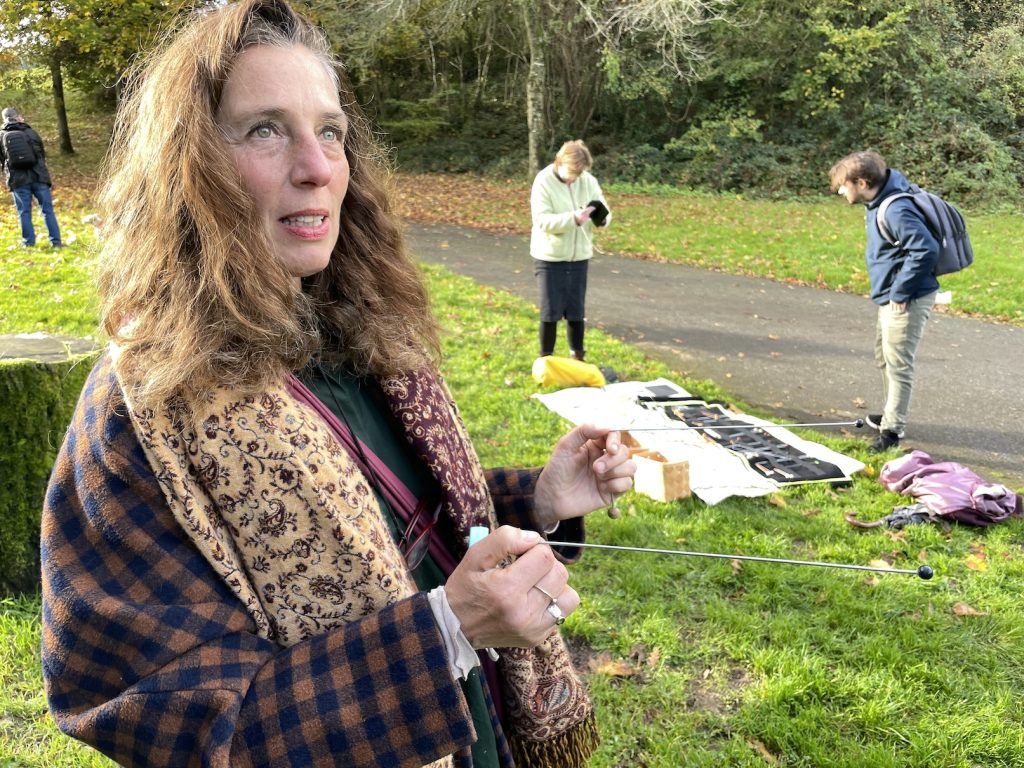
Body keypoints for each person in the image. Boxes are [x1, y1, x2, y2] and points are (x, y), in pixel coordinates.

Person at [39, 3, 636, 767]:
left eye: (329, 131)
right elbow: (184, 732)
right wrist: (445, 633)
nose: (317, 167)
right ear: (188, 165)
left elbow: (382, 518)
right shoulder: (141, 413)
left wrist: (540, 500)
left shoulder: (356, 334)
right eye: (265, 129)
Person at [829, 151, 939, 453]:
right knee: (884, 357)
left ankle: (892, 432)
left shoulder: (895, 210)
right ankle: (891, 414)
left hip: (906, 298)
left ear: (862, 182)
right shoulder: (877, 201)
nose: (840, 191)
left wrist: (901, 292)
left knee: (898, 364)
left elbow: (926, 250)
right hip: (891, 295)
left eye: (843, 185)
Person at [530, 139, 610, 362]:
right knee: (550, 310)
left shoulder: (588, 180)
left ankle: (578, 357)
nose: (575, 177)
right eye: (572, 172)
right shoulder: (543, 181)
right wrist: (573, 219)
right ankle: (546, 359)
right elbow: (542, 221)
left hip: (579, 256)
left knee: (576, 310)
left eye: (579, 173)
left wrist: (601, 220)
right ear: (559, 162)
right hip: (549, 256)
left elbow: (604, 210)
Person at [0, 106, 63, 248]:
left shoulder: (1, 135)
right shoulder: (31, 132)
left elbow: (2, 160)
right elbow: (41, 154)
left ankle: (28, 243)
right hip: (39, 177)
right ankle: (56, 242)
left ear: (4, 119)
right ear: (18, 116)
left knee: (24, 212)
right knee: (47, 210)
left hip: (18, 180)